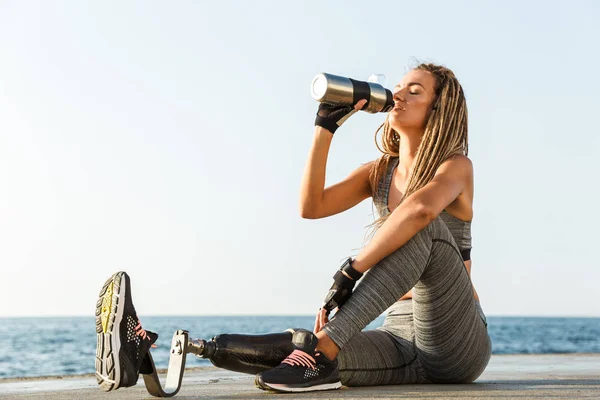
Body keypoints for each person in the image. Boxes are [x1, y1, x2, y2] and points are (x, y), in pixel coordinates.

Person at [94, 63, 491, 393]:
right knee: (305, 347)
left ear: (438, 108)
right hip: (397, 339)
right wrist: (325, 128)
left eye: (415, 91)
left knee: (423, 229)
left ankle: (325, 348)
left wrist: (350, 272)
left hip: (455, 340)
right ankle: (161, 349)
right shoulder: (380, 173)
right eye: (399, 86)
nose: (398, 94)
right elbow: (311, 206)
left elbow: (420, 210)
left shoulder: (455, 167)